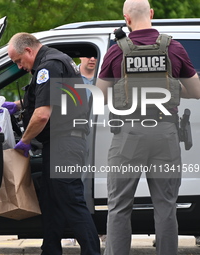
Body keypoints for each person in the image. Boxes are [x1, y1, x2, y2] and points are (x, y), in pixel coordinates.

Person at [95, 1, 200, 255]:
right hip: (165, 133)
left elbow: (100, 96)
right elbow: (196, 91)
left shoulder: (116, 51)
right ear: (151, 14)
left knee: (119, 207)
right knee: (166, 207)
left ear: (126, 18)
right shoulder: (173, 48)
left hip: (128, 135)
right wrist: (171, 89)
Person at [6, 32, 101, 255]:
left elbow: (42, 114)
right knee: (51, 203)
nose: (20, 66)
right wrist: (19, 106)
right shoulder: (53, 62)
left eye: (19, 60)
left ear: (28, 50)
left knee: (71, 202)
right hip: (58, 144)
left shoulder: (49, 65)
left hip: (65, 144)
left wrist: (25, 141)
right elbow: (49, 96)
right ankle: (50, 250)